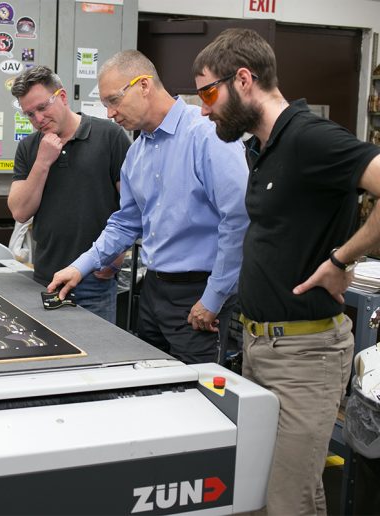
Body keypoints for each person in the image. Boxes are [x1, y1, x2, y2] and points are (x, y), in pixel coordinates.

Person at [193, 28, 380, 515]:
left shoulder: (309, 137)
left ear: (244, 79)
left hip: (305, 355)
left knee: (284, 501)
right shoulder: (264, 147)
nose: (204, 108)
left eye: (209, 92)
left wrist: (343, 259)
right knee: (274, 494)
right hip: (260, 346)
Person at [47, 49, 249, 364]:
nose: (110, 114)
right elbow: (126, 222)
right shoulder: (137, 153)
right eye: (104, 105)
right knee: (151, 387)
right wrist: (80, 267)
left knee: (198, 400)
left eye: (113, 100)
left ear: (144, 86)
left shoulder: (206, 135)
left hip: (198, 293)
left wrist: (214, 297)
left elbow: (238, 220)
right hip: (154, 289)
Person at [8, 65, 130, 323]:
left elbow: (133, 207)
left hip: (95, 280)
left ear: (62, 97)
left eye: (43, 108)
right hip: (45, 279)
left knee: (99, 359)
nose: (38, 119)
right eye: (30, 114)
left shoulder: (109, 136)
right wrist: (42, 162)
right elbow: (20, 211)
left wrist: (114, 260)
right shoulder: (29, 147)